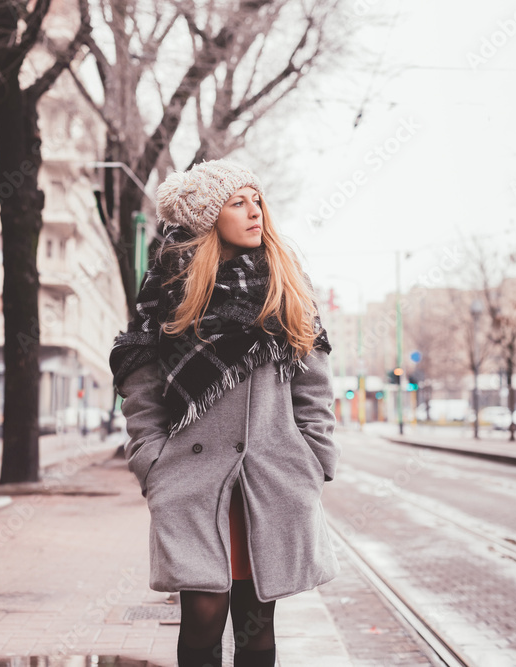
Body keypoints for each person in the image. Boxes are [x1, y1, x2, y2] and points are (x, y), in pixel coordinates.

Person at [109, 159, 340, 667]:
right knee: (203, 615)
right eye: (238, 202)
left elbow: (314, 385)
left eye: (257, 199)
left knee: (257, 625)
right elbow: (141, 381)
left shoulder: (284, 283)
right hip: (193, 480)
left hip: (272, 477)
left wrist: (314, 456)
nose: (255, 211)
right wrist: (152, 460)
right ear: (210, 218)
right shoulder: (172, 286)